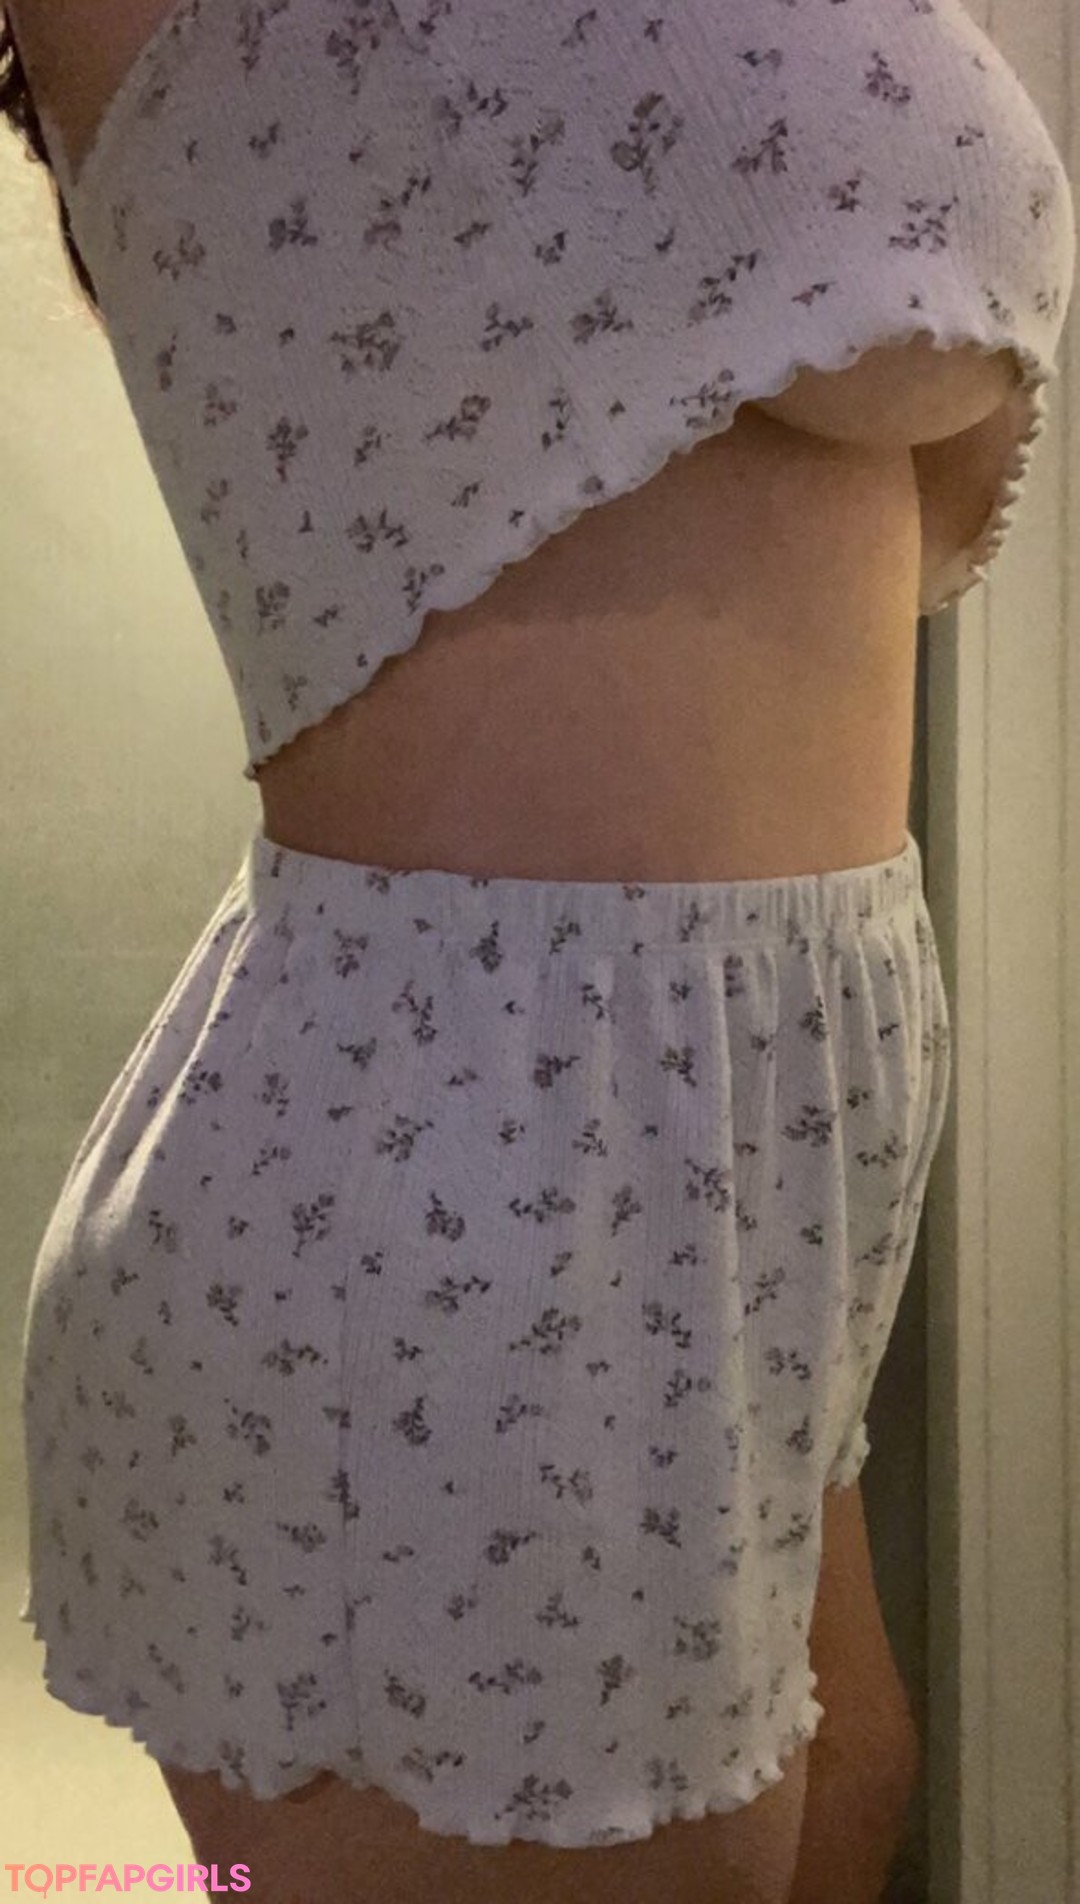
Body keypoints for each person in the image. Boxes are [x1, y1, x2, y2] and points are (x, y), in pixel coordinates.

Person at [4, 2, 1073, 1899]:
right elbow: (922, 236)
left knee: (853, 1799)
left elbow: (899, 365)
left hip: (705, 1187)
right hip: (462, 1239)